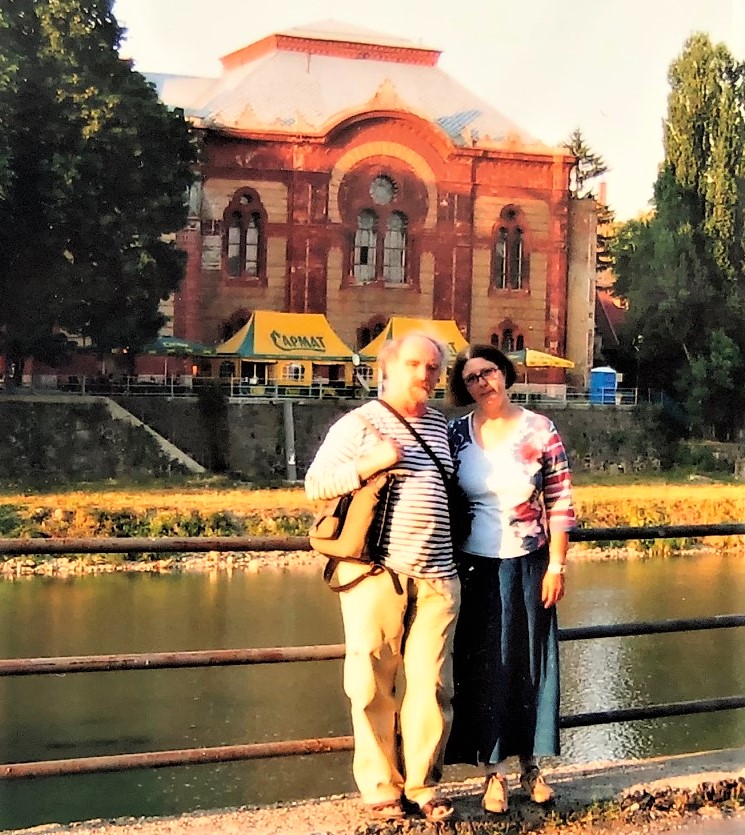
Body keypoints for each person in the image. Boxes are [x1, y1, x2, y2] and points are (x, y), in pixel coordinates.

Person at [304, 333, 461, 823]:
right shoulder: (360, 423)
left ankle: (422, 784)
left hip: (437, 579)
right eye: (415, 364)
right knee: (371, 683)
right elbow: (316, 484)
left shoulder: (440, 425)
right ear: (387, 370)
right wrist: (372, 462)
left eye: (434, 368)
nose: (426, 375)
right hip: (376, 574)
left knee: (432, 686)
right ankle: (379, 787)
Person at [444, 343, 576, 813]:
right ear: (465, 386)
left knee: (528, 664)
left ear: (506, 374)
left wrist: (556, 566)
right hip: (474, 567)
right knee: (484, 668)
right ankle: (492, 774)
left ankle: (530, 767)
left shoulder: (539, 430)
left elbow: (560, 501)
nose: (483, 382)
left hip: (528, 564)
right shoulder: (456, 434)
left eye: (490, 371)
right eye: (472, 377)